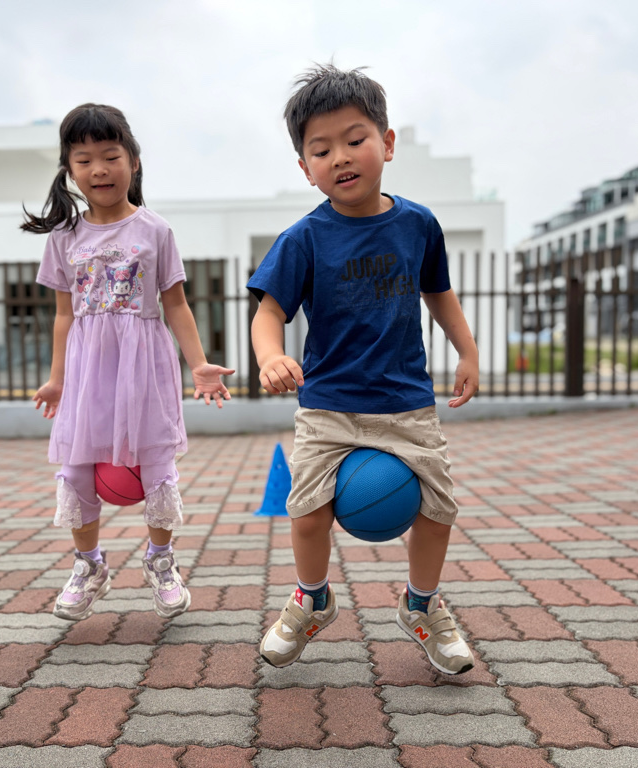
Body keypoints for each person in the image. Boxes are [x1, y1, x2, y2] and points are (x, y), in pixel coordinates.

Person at [248, 65, 479, 674]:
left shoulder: (418, 224)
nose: (341, 157)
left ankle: (422, 605)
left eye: (355, 139)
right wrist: (270, 356)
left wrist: (468, 350)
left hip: (406, 404)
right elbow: (268, 312)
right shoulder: (304, 238)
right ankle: (312, 599)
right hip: (328, 404)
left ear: (388, 143)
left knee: (438, 509)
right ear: (306, 168)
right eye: (322, 149)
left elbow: (439, 293)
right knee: (306, 511)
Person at [23, 103, 233, 622]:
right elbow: (63, 316)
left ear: (133, 162)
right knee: (77, 468)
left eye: (110, 156)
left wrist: (199, 364)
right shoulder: (63, 238)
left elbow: (176, 304)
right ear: (70, 171)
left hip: (144, 368)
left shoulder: (155, 230)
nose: (99, 169)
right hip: (87, 373)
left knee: (156, 464)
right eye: (84, 160)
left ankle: (161, 561)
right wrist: (56, 379)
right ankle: (89, 566)